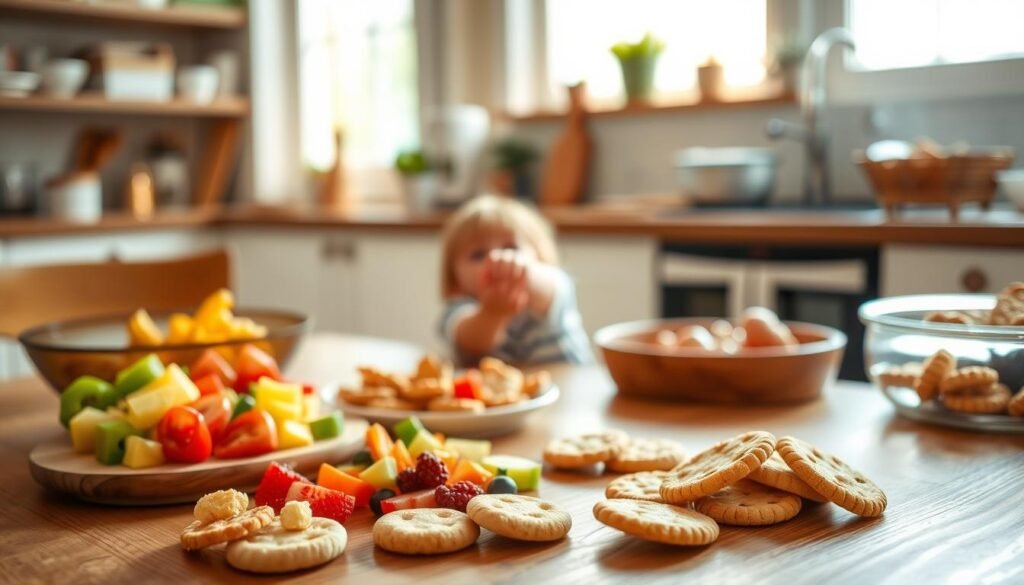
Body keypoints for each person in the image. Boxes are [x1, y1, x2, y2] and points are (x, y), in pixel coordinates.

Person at [438, 195, 594, 366]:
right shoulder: (457, 311)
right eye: (478, 255)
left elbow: (550, 288)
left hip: (573, 387)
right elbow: (471, 342)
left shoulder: (552, 284)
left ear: (540, 256)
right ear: (455, 280)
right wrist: (492, 314)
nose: (494, 258)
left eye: (511, 248)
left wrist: (521, 274)